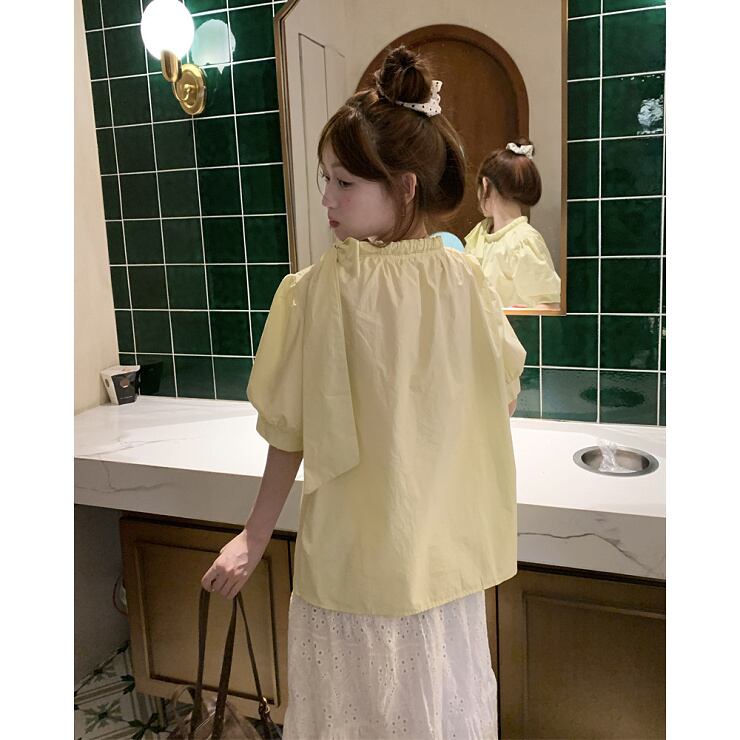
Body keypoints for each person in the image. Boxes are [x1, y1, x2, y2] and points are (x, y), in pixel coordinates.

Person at [201, 45, 526, 739]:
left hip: (356, 564)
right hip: (435, 564)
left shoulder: (318, 290)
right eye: (326, 179)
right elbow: (500, 398)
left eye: (344, 182)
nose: (326, 198)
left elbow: (288, 431)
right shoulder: (462, 280)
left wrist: (255, 535)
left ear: (404, 186)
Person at [465, 139, 561, 309]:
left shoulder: (523, 240)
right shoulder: (480, 233)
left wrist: (527, 314)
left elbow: (550, 305)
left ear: (485, 185)